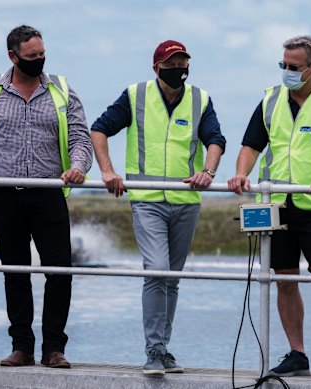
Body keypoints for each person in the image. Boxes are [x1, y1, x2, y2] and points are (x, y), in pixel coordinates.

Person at [0, 25, 92, 368]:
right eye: (31, 57)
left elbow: (80, 137)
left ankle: (54, 349)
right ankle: (21, 346)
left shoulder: (63, 91)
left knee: (60, 271)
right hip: (3, 193)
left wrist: (79, 166)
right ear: (13, 56)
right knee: (15, 271)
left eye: (42, 55)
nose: (39, 61)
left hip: (49, 193)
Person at [90, 40, 225, 376]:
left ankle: (163, 350)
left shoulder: (200, 99)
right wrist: (107, 171)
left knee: (172, 279)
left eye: (183, 62)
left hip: (186, 202)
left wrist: (208, 172)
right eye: (171, 62)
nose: (178, 68)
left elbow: (215, 139)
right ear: (156, 67)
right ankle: (152, 350)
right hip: (147, 200)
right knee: (157, 271)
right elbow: (99, 129)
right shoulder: (136, 95)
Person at [227, 35, 311, 382]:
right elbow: (251, 145)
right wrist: (241, 173)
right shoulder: (269, 100)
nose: (286, 71)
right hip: (275, 204)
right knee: (284, 279)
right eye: (282, 65)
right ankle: (296, 353)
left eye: (293, 67)